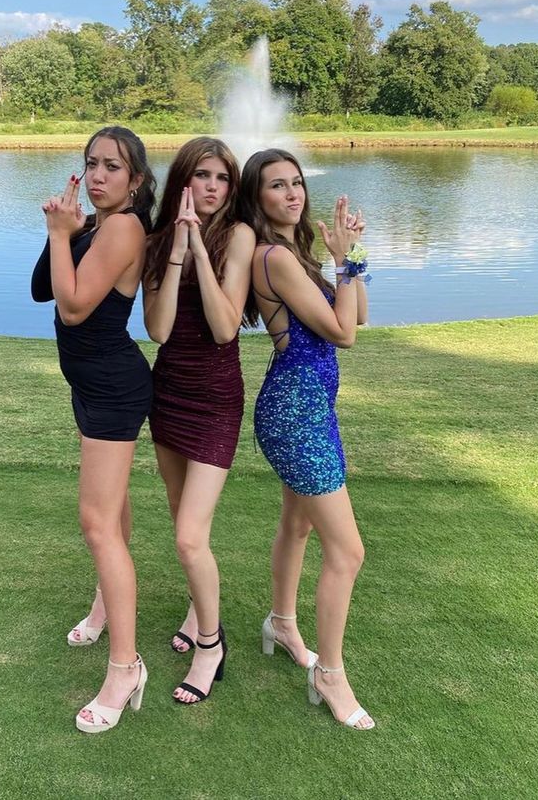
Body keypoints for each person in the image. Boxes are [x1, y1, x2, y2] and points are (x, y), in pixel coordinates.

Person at [238, 148, 374, 730]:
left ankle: (283, 623)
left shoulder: (299, 254)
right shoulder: (274, 258)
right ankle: (331, 674)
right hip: (296, 414)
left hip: (312, 407)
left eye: (297, 183)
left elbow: (359, 316)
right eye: (277, 186)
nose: (293, 194)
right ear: (257, 197)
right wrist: (341, 264)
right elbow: (342, 333)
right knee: (348, 551)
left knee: (297, 525)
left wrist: (353, 258)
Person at [30, 126, 155, 733]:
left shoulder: (127, 227)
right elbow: (40, 290)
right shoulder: (98, 228)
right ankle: (107, 606)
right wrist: (64, 232)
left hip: (112, 388)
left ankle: (125, 668)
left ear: (136, 180)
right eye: (91, 164)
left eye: (113, 166)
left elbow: (74, 306)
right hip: (90, 384)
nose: (99, 175)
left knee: (96, 521)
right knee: (115, 509)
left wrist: (64, 238)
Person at [143, 137, 256, 704]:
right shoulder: (159, 241)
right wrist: (179, 245)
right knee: (183, 523)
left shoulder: (238, 236)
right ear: (182, 181)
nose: (212, 188)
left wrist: (200, 251)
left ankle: (211, 645)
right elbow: (158, 330)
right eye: (202, 176)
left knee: (190, 538)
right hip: (168, 395)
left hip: (215, 401)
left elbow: (224, 327)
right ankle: (196, 608)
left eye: (222, 179)